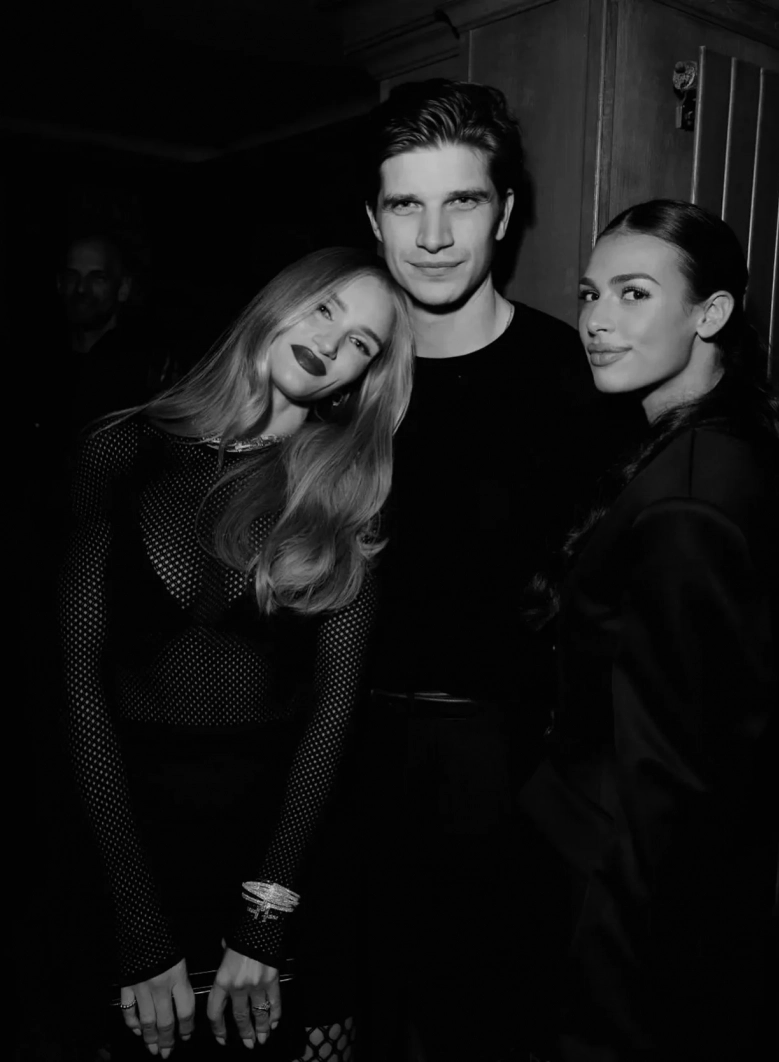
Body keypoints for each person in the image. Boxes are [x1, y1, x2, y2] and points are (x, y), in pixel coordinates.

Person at [58, 246, 414, 1062]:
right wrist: (139, 922)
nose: (332, 342)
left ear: (362, 379)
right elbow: (77, 684)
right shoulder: (120, 451)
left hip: (293, 852)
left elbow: (334, 710)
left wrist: (266, 915)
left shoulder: (346, 490)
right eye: (325, 309)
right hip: (132, 851)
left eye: (361, 342)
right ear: (279, 300)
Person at [359, 79, 640, 1061]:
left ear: (506, 212)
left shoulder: (578, 383)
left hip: (509, 773)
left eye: (463, 201)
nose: (434, 236)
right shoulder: (341, 373)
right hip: (341, 761)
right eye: (406, 204)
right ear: (374, 220)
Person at [520, 199, 779, 1062]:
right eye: (589, 293)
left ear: (709, 314)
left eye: (634, 293)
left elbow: (675, 777)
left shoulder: (690, 494)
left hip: (616, 907)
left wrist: (625, 983)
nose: (597, 322)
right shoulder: (699, 448)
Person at [54, 234, 172, 431]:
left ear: (123, 288)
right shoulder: (42, 365)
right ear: (59, 283)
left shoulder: (145, 370)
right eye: (72, 276)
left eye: (97, 278)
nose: (81, 288)